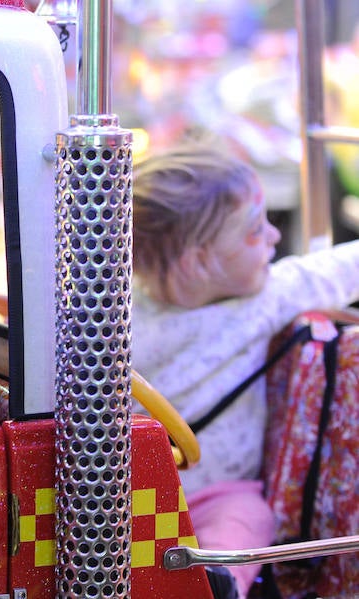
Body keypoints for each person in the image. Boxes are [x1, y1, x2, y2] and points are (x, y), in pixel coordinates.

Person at [130, 141, 359, 598]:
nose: (275, 236)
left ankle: (214, 586)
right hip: (158, 494)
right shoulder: (261, 303)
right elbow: (336, 271)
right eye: (256, 229)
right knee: (248, 515)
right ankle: (214, 579)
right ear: (200, 261)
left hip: (168, 491)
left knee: (244, 514)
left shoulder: (115, 313)